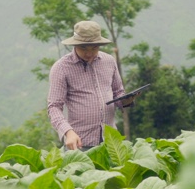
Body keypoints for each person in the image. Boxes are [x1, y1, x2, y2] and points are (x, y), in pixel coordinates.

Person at [47, 20, 138, 151]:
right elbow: (54, 107)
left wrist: (126, 101)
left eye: (94, 48)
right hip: (79, 143)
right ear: (75, 45)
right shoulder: (61, 67)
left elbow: (118, 92)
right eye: (83, 48)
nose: (89, 53)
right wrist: (68, 132)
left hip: (110, 142)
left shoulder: (109, 61)